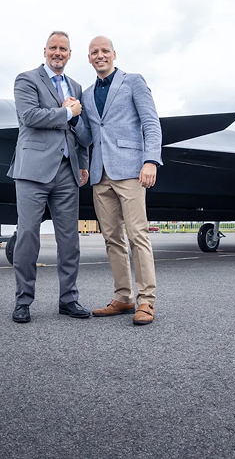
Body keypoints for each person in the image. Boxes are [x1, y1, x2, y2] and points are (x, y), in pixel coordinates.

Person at [77, 35, 162, 326]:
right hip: (100, 175)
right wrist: (73, 117)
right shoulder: (87, 94)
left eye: (104, 51)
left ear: (114, 54)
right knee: (112, 239)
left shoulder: (133, 81)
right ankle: (124, 297)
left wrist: (150, 160)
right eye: (93, 52)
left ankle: (146, 301)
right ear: (88, 58)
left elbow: (151, 121)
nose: (99, 56)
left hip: (130, 170)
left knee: (138, 236)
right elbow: (87, 137)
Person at [7, 31, 91, 323]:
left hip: (67, 171)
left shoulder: (76, 86)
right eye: (53, 48)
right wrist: (67, 113)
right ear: (45, 51)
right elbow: (29, 116)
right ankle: (23, 301)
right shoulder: (26, 79)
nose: (58, 53)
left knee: (70, 240)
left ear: (70, 54)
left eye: (63, 49)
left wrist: (83, 163)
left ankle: (69, 300)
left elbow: (82, 132)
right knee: (28, 235)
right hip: (32, 170)